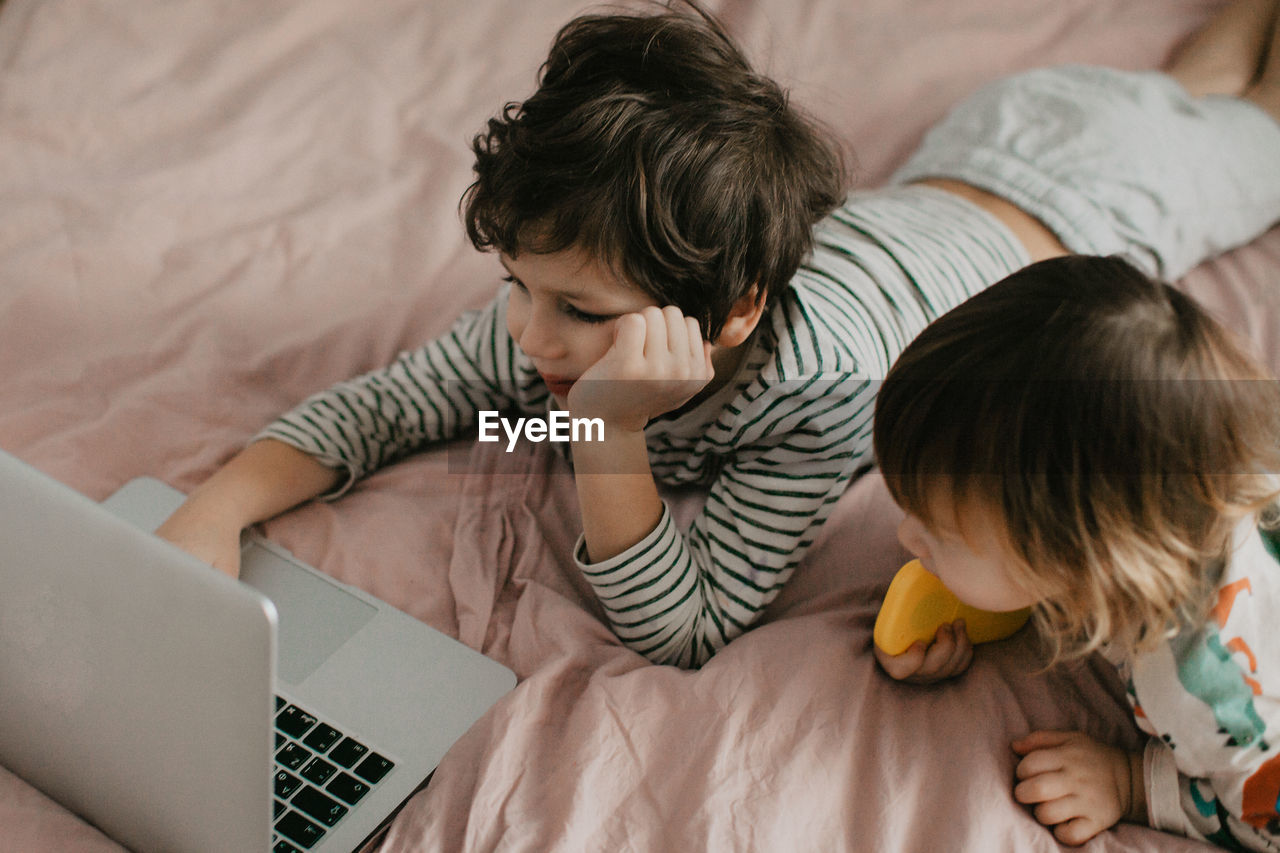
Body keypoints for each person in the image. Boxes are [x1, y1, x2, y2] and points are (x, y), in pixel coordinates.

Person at [157, 0, 1280, 669]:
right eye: (515, 285)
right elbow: (401, 407)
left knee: (1249, 119)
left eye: (577, 315)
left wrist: (605, 442)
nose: (527, 338)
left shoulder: (825, 389)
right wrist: (216, 511)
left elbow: (685, 627)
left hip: (1102, 199)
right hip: (986, 143)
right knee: (1199, 87)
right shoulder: (568, 305)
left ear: (735, 310)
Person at [872, 255, 1280, 849]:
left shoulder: (1208, 690)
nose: (905, 537)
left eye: (939, 531)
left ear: (1078, 566)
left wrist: (1133, 785)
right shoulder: (1198, 435)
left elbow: (1266, 818)